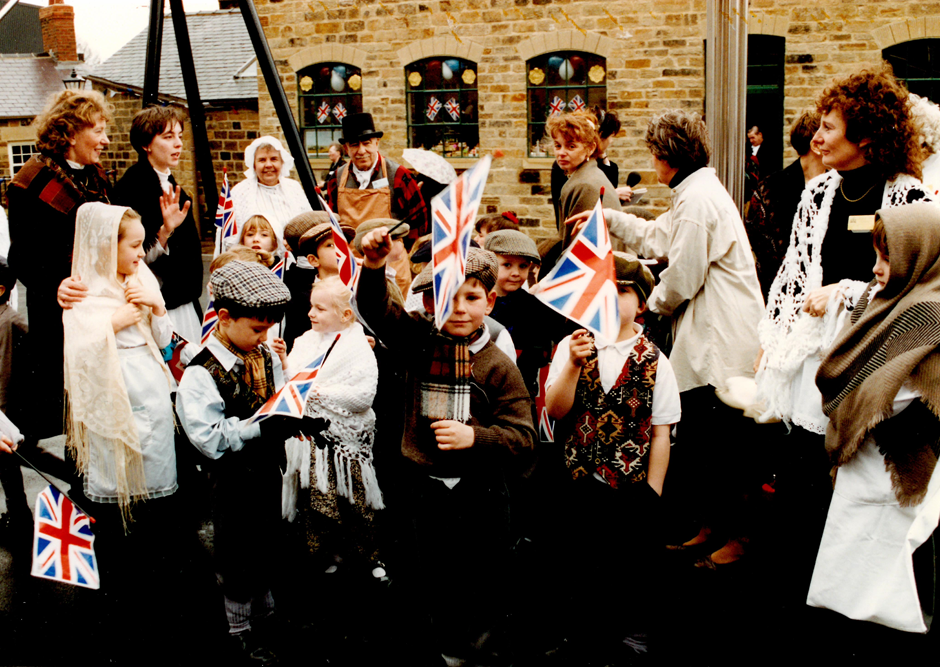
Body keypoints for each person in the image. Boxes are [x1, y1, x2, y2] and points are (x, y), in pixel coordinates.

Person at [755, 68, 932, 605]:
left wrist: (842, 293)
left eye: (829, 127)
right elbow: (793, 275)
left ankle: (857, 599)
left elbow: (911, 292)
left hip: (875, 365)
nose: (817, 137)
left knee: (857, 486)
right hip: (816, 363)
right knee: (801, 481)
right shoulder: (817, 194)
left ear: (869, 138)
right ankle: (803, 594)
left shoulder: (911, 199)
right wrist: (777, 340)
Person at [567, 108, 765, 564]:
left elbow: (682, 277)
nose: (653, 162)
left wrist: (647, 309)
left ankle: (737, 539)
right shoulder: (694, 193)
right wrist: (609, 222)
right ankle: (713, 527)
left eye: (655, 153)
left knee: (724, 446)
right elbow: (657, 236)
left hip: (721, 341)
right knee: (707, 445)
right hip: (710, 337)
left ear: (668, 155)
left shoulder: (697, 200)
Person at [356, 233, 536, 664]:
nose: (459, 308)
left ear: (489, 303)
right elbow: (377, 310)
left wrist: (478, 437)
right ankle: (444, 648)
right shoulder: (419, 341)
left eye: (471, 297)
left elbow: (524, 438)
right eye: (448, 297)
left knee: (483, 575)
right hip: (424, 488)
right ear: (432, 302)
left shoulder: (498, 366)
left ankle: (480, 649)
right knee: (430, 572)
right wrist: (374, 265)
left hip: (483, 491)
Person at [176, 260, 318, 664]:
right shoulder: (200, 374)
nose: (264, 337)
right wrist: (262, 426)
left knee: (267, 544)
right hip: (232, 479)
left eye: (269, 328)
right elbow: (210, 440)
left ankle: (267, 616)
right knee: (238, 553)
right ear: (223, 317)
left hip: (266, 471)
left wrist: (294, 416)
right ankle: (239, 632)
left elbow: (276, 397)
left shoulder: (261, 354)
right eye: (256, 328)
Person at [809, 203, 940, 635]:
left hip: (893, 458)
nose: (877, 268)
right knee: (856, 570)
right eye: (878, 254)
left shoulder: (928, 312)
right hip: (870, 460)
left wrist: (852, 405)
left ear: (918, 253)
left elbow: (893, 391)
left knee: (886, 575)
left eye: (888, 255)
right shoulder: (891, 301)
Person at [545, 253, 679, 659]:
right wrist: (571, 366)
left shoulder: (656, 360)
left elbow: (661, 431)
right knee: (579, 558)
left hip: (631, 484)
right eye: (601, 291)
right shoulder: (574, 346)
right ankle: (577, 630)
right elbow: (555, 409)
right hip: (580, 478)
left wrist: (653, 490)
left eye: (620, 292)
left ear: (640, 304)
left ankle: (632, 630)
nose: (610, 299)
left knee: (631, 562)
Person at [6, 89, 112, 437]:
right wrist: (56, 285)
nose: (105, 140)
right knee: (73, 414)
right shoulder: (30, 182)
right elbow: (21, 256)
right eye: (97, 130)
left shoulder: (97, 177)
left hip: (100, 304)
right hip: (58, 314)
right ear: (70, 133)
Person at [286, 277, 384, 578]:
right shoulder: (304, 342)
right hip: (311, 440)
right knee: (317, 497)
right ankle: (325, 552)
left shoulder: (358, 346)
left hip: (347, 441)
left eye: (320, 309)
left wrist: (313, 391)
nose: (311, 314)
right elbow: (291, 380)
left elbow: (362, 396)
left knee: (354, 500)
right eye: (311, 307)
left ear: (345, 315)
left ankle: (369, 557)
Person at [112, 106, 204, 344]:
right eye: (168, 137)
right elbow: (130, 260)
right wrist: (164, 232)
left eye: (180, 137)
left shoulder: (173, 186)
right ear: (146, 145)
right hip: (156, 302)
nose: (178, 144)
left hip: (181, 302)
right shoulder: (130, 189)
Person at [745, 111, 827, 297]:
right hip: (780, 294)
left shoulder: (836, 187)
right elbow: (760, 245)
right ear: (816, 145)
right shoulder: (769, 189)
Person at [326, 113, 427, 243]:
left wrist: (405, 252)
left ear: (376, 143)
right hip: (352, 260)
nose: (361, 151)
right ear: (346, 148)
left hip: (391, 258)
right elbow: (332, 222)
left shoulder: (398, 175)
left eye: (366, 143)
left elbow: (419, 219)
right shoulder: (336, 179)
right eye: (354, 145)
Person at [548, 111, 622, 247]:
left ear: (590, 148)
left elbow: (579, 248)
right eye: (558, 145)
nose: (561, 153)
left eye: (571, 146)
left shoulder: (584, 185)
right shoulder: (587, 175)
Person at [231, 135, 314, 241]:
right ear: (254, 165)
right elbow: (232, 236)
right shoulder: (240, 192)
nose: (268, 165)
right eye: (262, 160)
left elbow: (308, 226)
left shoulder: (294, 188)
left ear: (282, 162)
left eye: (274, 159)